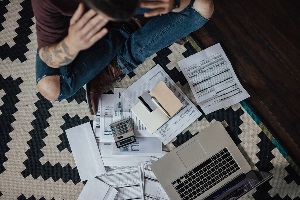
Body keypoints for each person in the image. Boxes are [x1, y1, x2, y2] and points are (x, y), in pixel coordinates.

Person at [32, 0, 214, 114]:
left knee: (203, 8)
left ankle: (120, 61)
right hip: (80, 27)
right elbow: (49, 57)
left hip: (140, 6)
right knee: (51, 88)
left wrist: (174, 3)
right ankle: (127, 30)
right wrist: (72, 44)